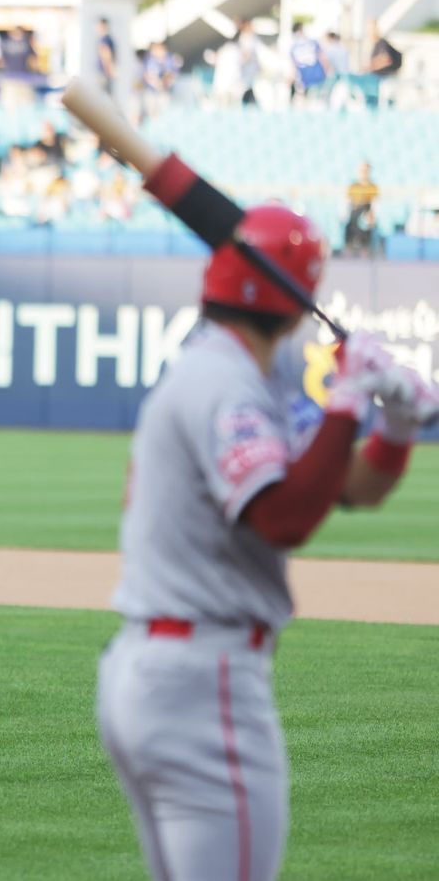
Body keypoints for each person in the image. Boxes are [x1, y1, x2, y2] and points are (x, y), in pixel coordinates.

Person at [98, 202, 428, 881]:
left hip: (155, 670)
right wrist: (348, 397)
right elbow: (284, 519)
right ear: (296, 298)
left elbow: (344, 485)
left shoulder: (229, 374)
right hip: (205, 679)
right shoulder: (226, 384)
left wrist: (391, 428)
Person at [343, 161, 380, 258]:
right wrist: (344, 214)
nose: (363, 173)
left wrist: (372, 215)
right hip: (354, 214)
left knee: (365, 239)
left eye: (365, 170)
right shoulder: (353, 186)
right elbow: (347, 202)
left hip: (366, 213)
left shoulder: (372, 187)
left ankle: (365, 258)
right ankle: (347, 261)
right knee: (349, 235)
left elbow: (374, 203)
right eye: (362, 170)